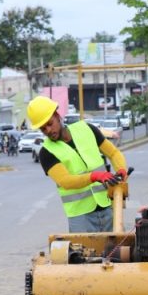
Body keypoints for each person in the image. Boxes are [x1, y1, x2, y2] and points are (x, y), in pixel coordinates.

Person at [28, 95, 127, 233]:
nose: (48, 131)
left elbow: (114, 153)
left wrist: (121, 170)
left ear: (57, 115)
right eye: (43, 129)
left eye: (50, 124)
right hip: (80, 216)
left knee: (117, 252)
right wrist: (95, 176)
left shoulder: (87, 129)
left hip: (107, 205)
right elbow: (65, 181)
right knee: (83, 254)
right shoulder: (46, 152)